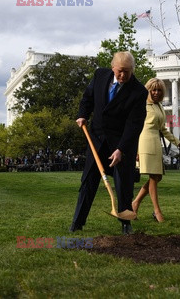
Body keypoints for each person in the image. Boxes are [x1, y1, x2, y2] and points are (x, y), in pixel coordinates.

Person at [70, 51, 147, 235]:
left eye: (127, 72)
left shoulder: (139, 91)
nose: (123, 75)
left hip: (121, 143)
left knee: (124, 185)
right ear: (113, 67)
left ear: (132, 70)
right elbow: (87, 98)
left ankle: (125, 224)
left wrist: (121, 148)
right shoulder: (100, 75)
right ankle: (77, 222)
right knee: (88, 181)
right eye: (120, 71)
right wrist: (82, 114)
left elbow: (134, 124)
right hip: (96, 140)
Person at [132, 78, 180, 222]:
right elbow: (134, 127)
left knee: (157, 177)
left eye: (159, 90)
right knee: (154, 177)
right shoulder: (142, 105)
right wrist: (135, 150)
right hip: (144, 143)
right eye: (153, 90)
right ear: (148, 90)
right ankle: (157, 211)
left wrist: (178, 143)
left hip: (156, 143)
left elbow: (163, 130)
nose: (156, 92)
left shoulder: (159, 106)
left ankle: (135, 203)